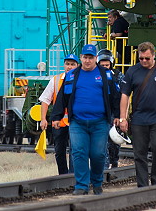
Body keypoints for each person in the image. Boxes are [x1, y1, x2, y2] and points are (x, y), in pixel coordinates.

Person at [49, 43, 120, 195]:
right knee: (79, 152)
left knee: (98, 154)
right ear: (81, 58)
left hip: (100, 122)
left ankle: (97, 182)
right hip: (77, 122)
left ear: (96, 58)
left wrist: (118, 116)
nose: (87, 61)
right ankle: (81, 186)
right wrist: (56, 117)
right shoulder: (72, 75)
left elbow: (115, 97)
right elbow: (62, 97)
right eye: (85, 57)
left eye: (90, 58)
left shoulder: (106, 75)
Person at [119, 41, 156, 187]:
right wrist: (122, 118)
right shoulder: (132, 71)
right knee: (139, 153)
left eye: (147, 58)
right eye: (141, 59)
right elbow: (125, 95)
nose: (144, 61)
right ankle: (142, 185)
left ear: (153, 56)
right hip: (139, 119)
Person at [38, 52, 79, 175]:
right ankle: (63, 175)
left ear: (77, 66)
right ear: (64, 65)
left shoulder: (81, 80)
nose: (69, 67)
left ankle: (73, 175)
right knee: (59, 151)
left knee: (75, 150)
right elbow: (45, 100)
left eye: (72, 64)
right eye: (67, 64)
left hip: (75, 122)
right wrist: (43, 119)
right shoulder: (55, 80)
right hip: (59, 123)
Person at [98, 51, 121, 169]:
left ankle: (114, 161)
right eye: (102, 65)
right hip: (100, 111)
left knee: (114, 139)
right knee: (102, 139)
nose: (105, 68)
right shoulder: (95, 76)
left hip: (113, 111)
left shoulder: (117, 76)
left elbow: (120, 95)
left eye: (107, 65)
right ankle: (105, 165)